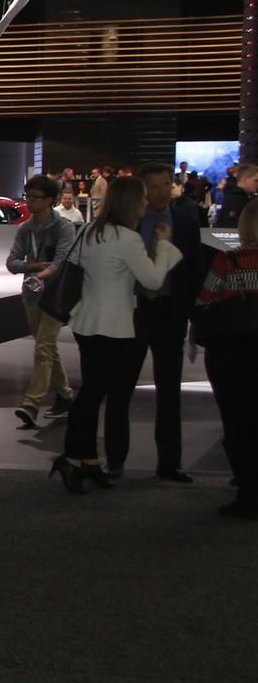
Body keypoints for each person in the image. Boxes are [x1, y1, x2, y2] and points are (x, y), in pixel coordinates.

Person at [52, 175, 180, 493]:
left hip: (86, 324)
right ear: (132, 202)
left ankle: (88, 461)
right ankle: (71, 458)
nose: (146, 202)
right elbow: (152, 281)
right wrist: (165, 245)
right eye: (143, 197)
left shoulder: (90, 231)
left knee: (92, 393)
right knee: (92, 396)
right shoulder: (128, 238)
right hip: (113, 328)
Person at [114, 162, 208, 481]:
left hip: (171, 313)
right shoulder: (130, 222)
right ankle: (115, 460)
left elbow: (194, 272)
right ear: (143, 190)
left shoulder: (186, 222)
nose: (162, 192)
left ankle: (170, 462)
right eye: (154, 186)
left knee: (169, 390)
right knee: (121, 387)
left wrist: (195, 317)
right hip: (135, 312)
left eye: (166, 185)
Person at [193, 200, 258, 518]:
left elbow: (205, 300)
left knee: (236, 422)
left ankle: (248, 490)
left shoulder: (228, 260)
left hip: (230, 352)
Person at [8, 174, 79, 429]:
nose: (29, 201)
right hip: (32, 294)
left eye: (34, 197)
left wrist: (41, 274)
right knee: (46, 348)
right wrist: (34, 267)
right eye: (27, 196)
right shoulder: (25, 229)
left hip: (56, 295)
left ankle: (31, 403)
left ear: (49, 200)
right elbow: (12, 263)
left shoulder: (64, 228)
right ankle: (66, 396)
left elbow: (61, 262)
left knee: (43, 348)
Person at [220, 161, 257, 227]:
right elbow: (229, 225)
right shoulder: (234, 199)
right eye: (256, 181)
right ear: (244, 180)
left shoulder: (247, 198)